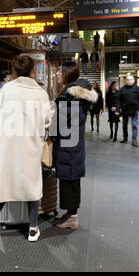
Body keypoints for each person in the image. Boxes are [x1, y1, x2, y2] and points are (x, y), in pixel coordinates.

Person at [0, 56, 51, 242]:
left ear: (15, 71)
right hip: (31, 144)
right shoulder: (40, 92)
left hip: (9, 145)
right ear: (34, 71)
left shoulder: (7, 90)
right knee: (32, 183)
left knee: (4, 183)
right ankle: (32, 229)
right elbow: (46, 120)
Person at [52, 62, 98, 230]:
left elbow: (60, 125)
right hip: (74, 142)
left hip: (67, 145)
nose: (57, 74)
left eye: (59, 71)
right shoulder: (77, 94)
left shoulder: (67, 96)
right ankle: (71, 214)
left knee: (68, 178)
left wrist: (49, 127)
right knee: (72, 177)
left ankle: (72, 217)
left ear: (67, 75)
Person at [120, 75, 139, 147]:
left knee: (134, 125)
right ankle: (125, 137)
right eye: (128, 80)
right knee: (124, 125)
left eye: (131, 80)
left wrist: (138, 106)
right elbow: (119, 99)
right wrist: (120, 107)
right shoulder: (122, 89)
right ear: (125, 81)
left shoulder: (136, 88)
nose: (129, 81)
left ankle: (134, 140)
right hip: (125, 110)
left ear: (133, 80)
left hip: (134, 110)